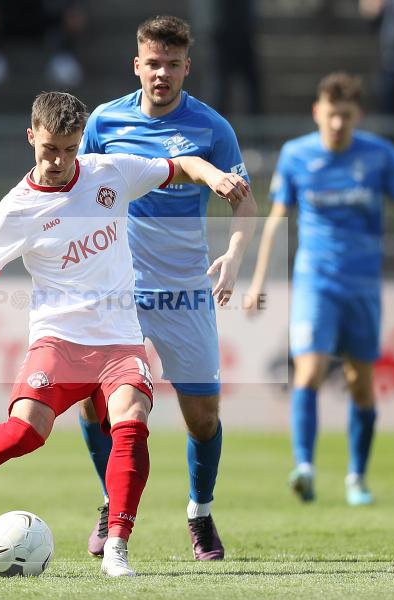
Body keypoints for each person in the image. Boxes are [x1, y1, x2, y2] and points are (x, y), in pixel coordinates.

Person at [0, 91, 250, 577]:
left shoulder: (108, 172)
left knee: (132, 418)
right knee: (24, 433)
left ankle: (117, 546)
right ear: (31, 138)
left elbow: (182, 164)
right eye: (50, 149)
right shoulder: (15, 211)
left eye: (70, 150)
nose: (60, 161)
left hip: (118, 340)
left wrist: (213, 175)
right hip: (59, 342)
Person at [74, 15, 257, 561]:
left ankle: (199, 515)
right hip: (116, 290)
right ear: (137, 64)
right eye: (153, 63)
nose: (162, 73)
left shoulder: (211, 128)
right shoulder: (105, 121)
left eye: (172, 64)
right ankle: (111, 503)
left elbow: (244, 202)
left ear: (186, 67)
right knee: (92, 405)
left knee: (202, 417)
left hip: (184, 288)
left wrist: (234, 254)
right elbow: (75, 189)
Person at [244, 72, 394, 506]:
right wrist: (257, 281)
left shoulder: (380, 156)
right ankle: (304, 468)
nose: (338, 125)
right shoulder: (296, 156)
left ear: (357, 115)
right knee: (307, 371)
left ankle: (356, 477)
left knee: (360, 383)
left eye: (346, 116)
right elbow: (276, 222)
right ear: (317, 113)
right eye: (331, 116)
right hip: (315, 281)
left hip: (363, 285)